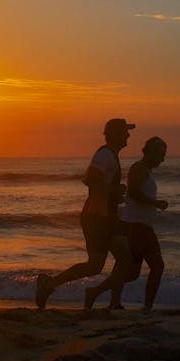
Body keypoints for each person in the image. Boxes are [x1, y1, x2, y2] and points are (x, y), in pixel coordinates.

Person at [35, 118, 135, 309]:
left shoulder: (110, 155)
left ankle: (113, 301)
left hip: (106, 217)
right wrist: (113, 191)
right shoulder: (105, 154)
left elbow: (95, 182)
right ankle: (49, 284)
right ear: (115, 134)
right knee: (97, 265)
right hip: (97, 217)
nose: (128, 135)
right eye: (125, 132)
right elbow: (91, 178)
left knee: (122, 259)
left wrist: (114, 195)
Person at [83, 136, 168, 313]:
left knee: (130, 273)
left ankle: (97, 294)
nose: (163, 158)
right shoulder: (139, 169)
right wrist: (156, 203)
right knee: (157, 266)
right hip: (138, 227)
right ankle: (147, 307)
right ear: (150, 152)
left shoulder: (145, 170)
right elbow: (133, 193)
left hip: (137, 225)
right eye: (160, 154)